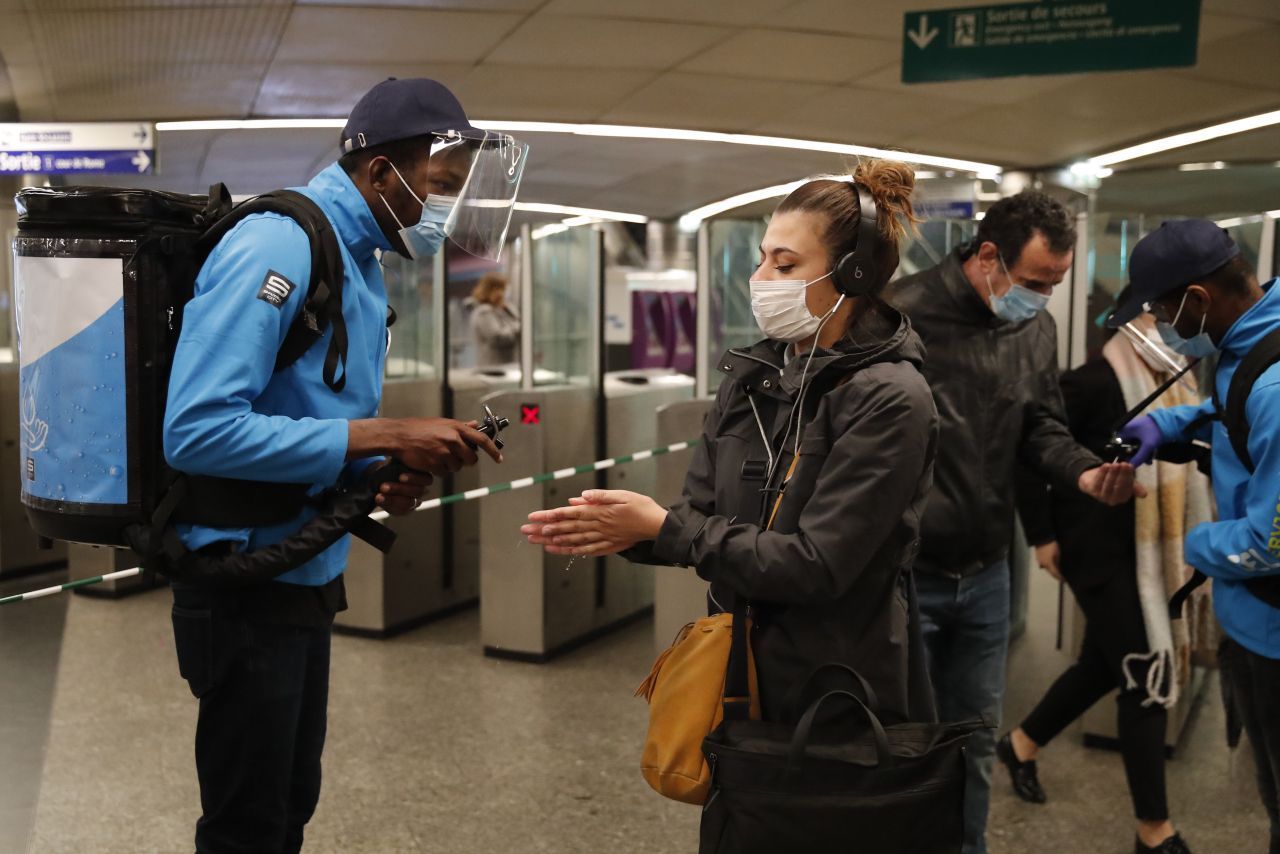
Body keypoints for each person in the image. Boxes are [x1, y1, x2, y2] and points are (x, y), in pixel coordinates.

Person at [163, 77, 520, 853]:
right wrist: (386, 431)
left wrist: (376, 471)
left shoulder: (359, 263)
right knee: (247, 823)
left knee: (290, 799)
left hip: (305, 577)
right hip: (244, 581)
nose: (447, 212)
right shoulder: (280, 243)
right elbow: (195, 431)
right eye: (440, 187)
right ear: (381, 174)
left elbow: (310, 420)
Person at [524, 159, 938, 740]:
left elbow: (818, 565)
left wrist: (665, 529)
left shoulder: (892, 399)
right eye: (763, 257)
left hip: (837, 690)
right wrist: (633, 528)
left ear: (854, 274)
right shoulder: (753, 377)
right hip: (738, 669)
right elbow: (699, 512)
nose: (762, 276)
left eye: (786, 263)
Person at [882, 191, 1142, 854]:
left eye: (1056, 283)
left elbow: (1041, 427)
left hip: (987, 573)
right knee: (902, 745)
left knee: (973, 742)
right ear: (987, 256)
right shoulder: (898, 315)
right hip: (905, 574)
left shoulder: (1035, 328)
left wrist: (1083, 474)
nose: (1045, 297)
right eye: (1035, 283)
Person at [1002, 300, 1213, 854]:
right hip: (1096, 550)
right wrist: (1042, 535)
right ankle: (1154, 830)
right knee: (1143, 674)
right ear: (1132, 322)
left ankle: (1021, 744)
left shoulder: (1171, 376)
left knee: (1103, 663)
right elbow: (1031, 453)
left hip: (1143, 550)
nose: (1169, 330)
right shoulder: (1093, 379)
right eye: (1158, 318)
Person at [1109, 219, 1280, 854]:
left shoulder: (1278, 388)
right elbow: (1226, 412)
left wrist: (1195, 547)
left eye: (1159, 308)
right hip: (1252, 619)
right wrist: (1169, 425)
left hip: (1273, 635)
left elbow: (1271, 542)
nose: (1159, 322)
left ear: (1198, 298)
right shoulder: (1254, 339)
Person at [469, 271, 520, 365]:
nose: (502, 294)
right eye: (499, 289)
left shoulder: (501, 308)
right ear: (488, 291)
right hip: (494, 368)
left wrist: (508, 310)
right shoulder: (484, 312)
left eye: (504, 290)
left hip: (506, 365)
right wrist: (517, 328)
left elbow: (518, 321)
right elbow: (497, 337)